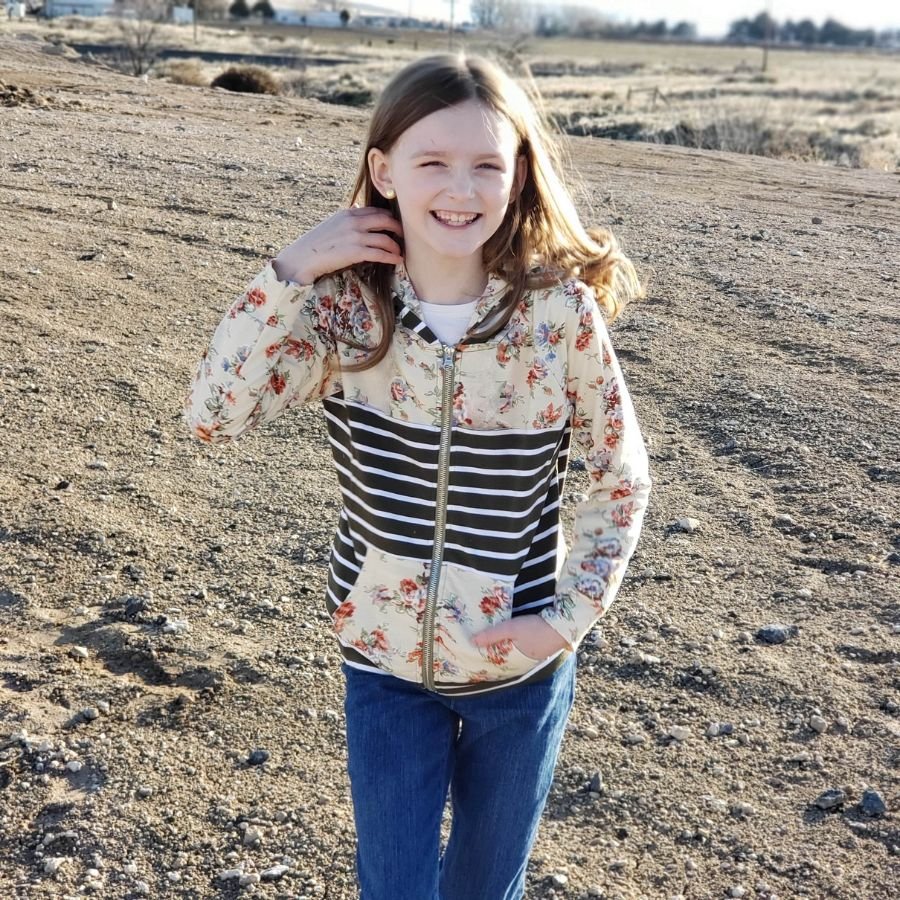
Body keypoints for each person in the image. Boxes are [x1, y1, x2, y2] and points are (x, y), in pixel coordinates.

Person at [184, 52, 652, 900]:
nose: (460, 189)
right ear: (384, 170)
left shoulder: (557, 314)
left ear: (518, 175)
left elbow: (618, 477)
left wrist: (566, 620)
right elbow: (213, 416)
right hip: (384, 660)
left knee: (484, 888)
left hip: (518, 666)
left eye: (486, 165)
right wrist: (290, 269)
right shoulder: (344, 309)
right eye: (431, 161)